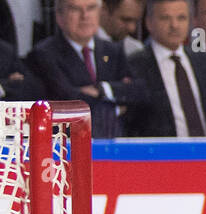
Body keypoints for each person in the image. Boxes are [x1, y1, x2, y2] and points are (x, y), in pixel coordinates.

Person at [27, 0, 148, 138]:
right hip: (69, 145)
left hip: (114, 143)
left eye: (91, 8)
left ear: (100, 13)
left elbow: (139, 91)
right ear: (59, 16)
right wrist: (117, 107)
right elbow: (68, 100)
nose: (85, 16)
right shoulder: (44, 54)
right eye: (75, 9)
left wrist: (101, 89)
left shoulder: (113, 50)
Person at [124, 0, 206, 136]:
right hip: (160, 154)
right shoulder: (135, 65)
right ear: (149, 23)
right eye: (165, 18)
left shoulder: (205, 61)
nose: (174, 25)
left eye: (181, 18)